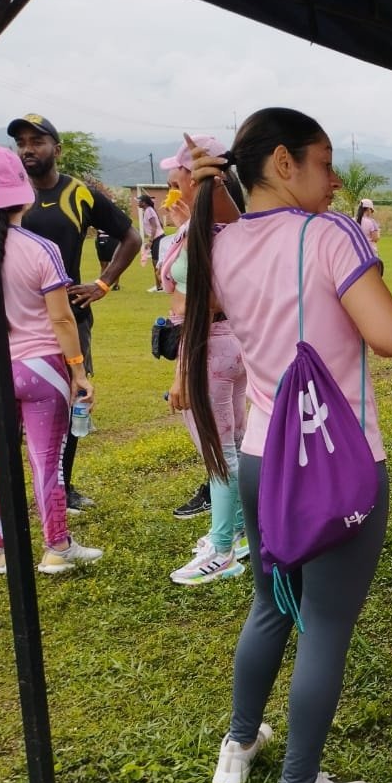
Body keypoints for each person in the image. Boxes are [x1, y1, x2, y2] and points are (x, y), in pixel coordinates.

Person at [181, 109, 392, 783]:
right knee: (326, 625)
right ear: (283, 163)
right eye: (323, 161)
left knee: (272, 605)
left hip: (261, 455)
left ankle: (239, 743)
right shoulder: (330, 233)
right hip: (338, 464)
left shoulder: (220, 244)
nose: (335, 178)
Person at [0, 147, 103, 576]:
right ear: (24, 194)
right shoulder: (40, 249)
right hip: (42, 368)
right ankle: (56, 547)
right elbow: (61, 317)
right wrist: (79, 369)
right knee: (45, 459)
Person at [9, 113, 143, 512]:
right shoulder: (9, 195)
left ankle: (62, 488)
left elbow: (131, 236)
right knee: (13, 411)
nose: (28, 149)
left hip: (69, 318)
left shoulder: (80, 193)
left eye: (37, 141)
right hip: (19, 321)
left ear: (57, 149)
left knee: (71, 402)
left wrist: (102, 284)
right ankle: (10, 497)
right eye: (22, 143)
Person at [158, 135, 250, 585]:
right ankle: (238, 531)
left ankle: (222, 549)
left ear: (197, 179)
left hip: (207, 345)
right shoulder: (227, 229)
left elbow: (195, 306)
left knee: (218, 451)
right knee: (233, 442)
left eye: (178, 174)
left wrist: (181, 373)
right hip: (232, 343)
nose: (171, 180)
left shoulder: (205, 235)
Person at [139, 193, 165, 291]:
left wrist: (150, 240)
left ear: (144, 203)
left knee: (157, 263)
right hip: (157, 239)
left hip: (157, 239)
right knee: (156, 263)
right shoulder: (148, 211)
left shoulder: (149, 211)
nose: (138, 203)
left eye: (139, 201)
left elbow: (154, 226)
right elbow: (160, 224)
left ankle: (162, 285)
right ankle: (159, 285)